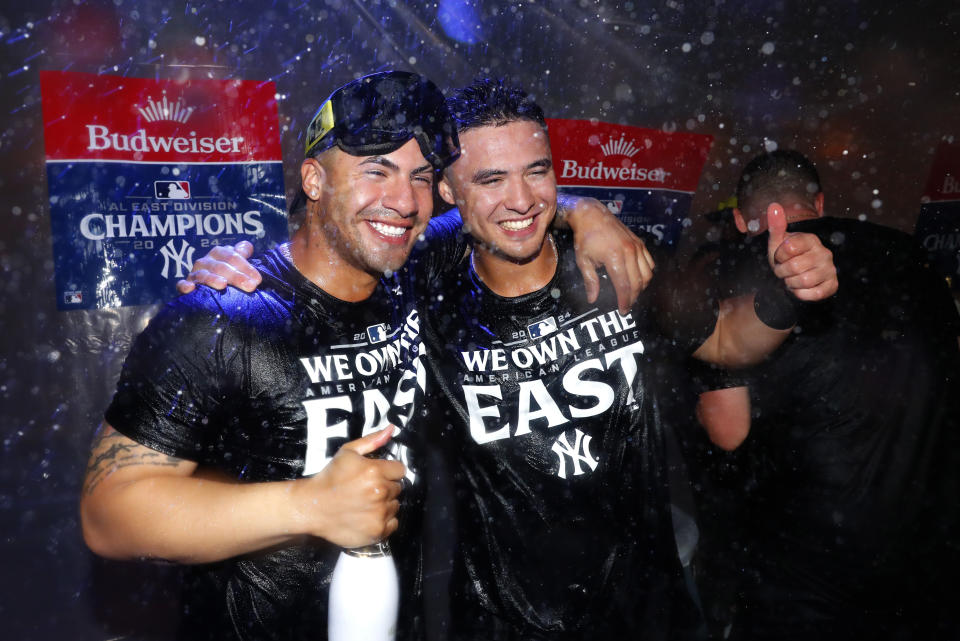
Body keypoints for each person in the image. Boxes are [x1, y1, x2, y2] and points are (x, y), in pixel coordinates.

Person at [190, 79, 840, 640]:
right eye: (491, 179)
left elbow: (728, 342)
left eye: (537, 170)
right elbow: (331, 262)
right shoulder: (425, 299)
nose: (521, 199)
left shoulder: (616, 269)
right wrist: (248, 270)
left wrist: (784, 295)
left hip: (646, 614)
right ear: (447, 189)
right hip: (501, 620)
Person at [81, 70, 658, 641]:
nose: (404, 201)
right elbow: (110, 513)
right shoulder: (223, 314)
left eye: (421, 177)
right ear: (314, 179)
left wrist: (587, 213)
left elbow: (508, 207)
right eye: (376, 171)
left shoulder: (415, 270)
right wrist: (308, 504)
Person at [692, 149, 960, 640]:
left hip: (804, 569)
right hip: (924, 552)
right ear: (819, 201)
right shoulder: (912, 254)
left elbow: (727, 430)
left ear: (738, 216)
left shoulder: (738, 267)